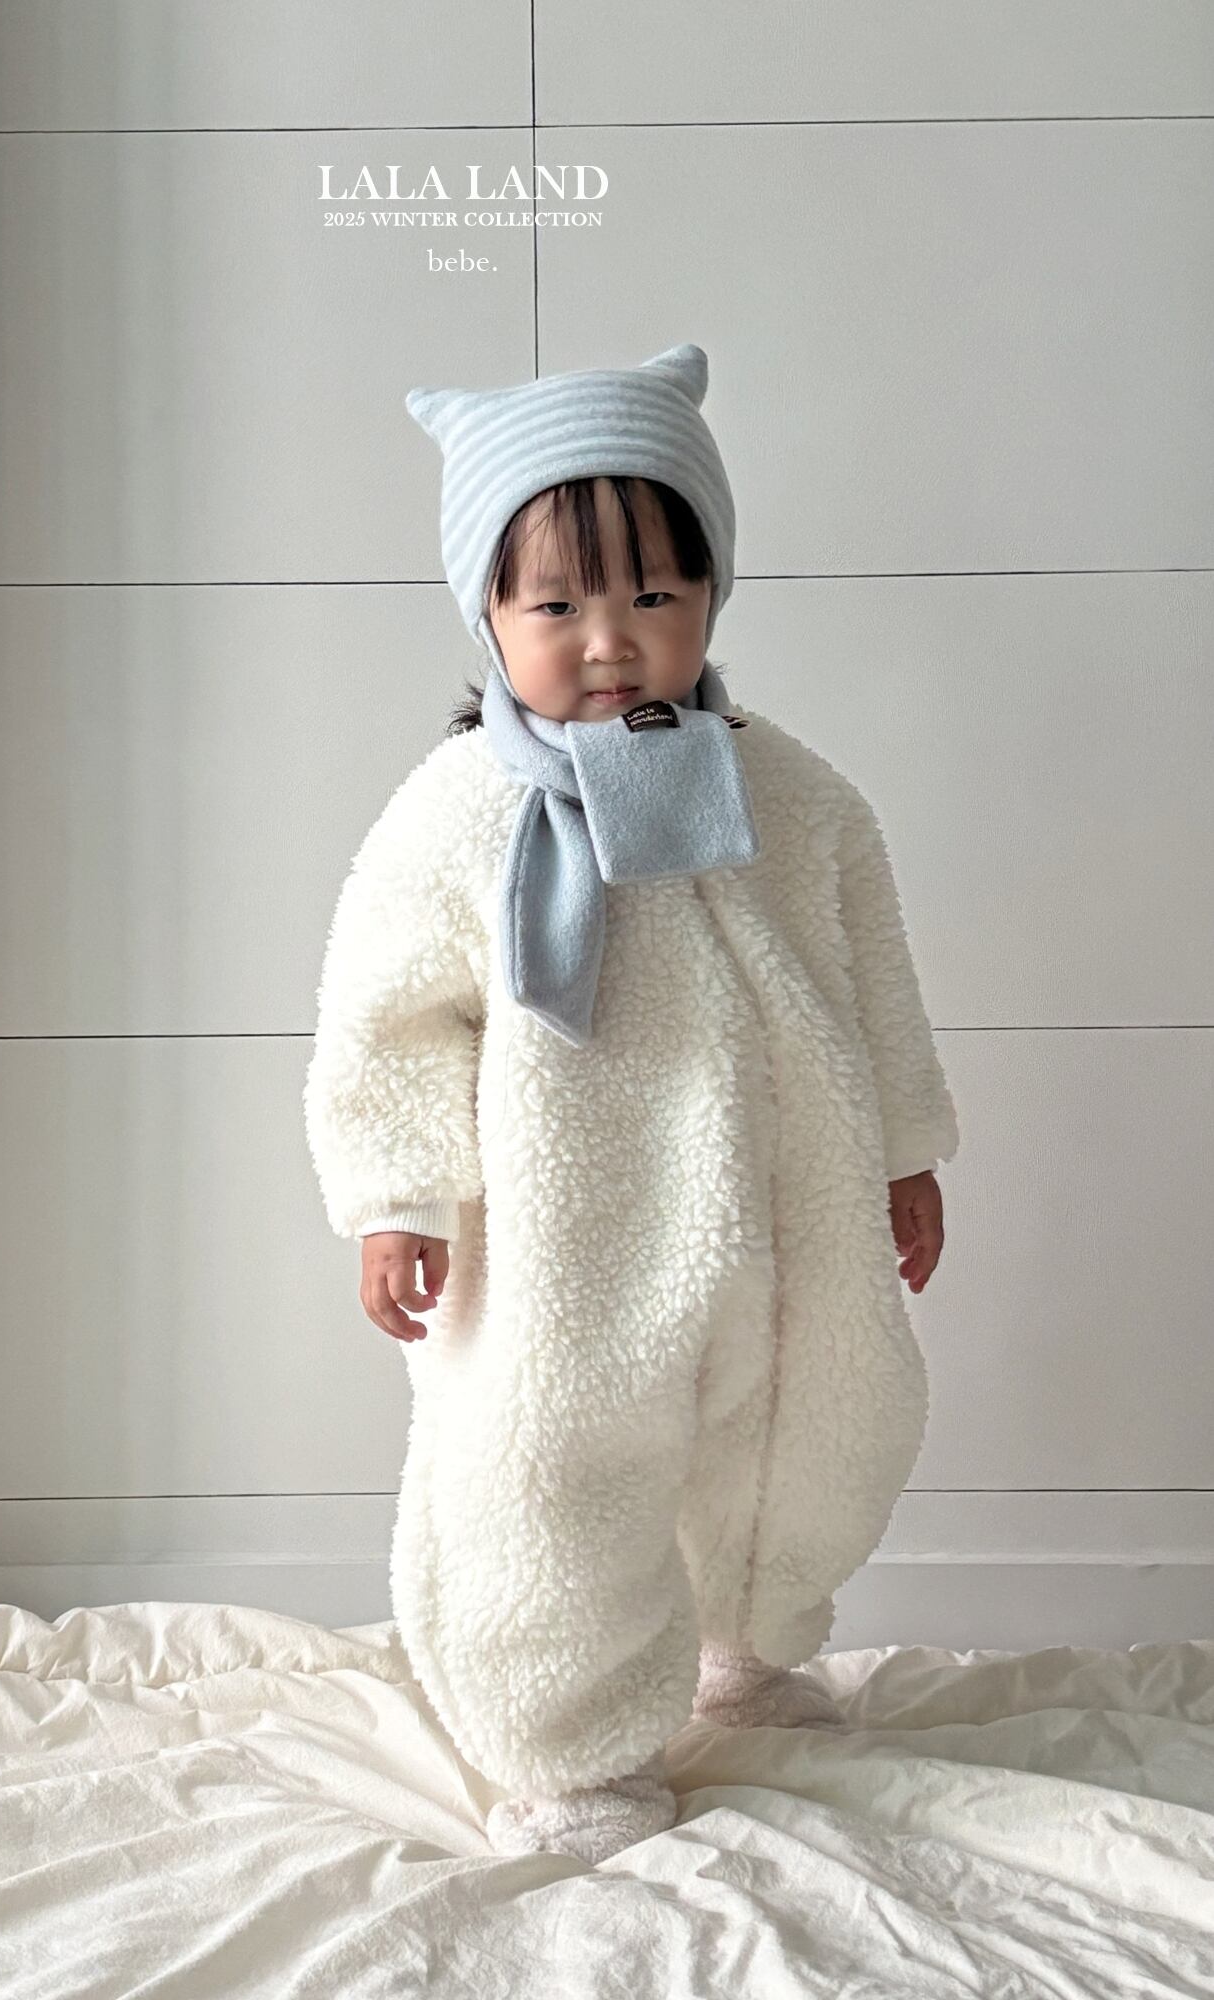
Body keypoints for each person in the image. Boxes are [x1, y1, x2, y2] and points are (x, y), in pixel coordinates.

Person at [302, 343, 960, 1865]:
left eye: (655, 595)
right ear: (487, 615)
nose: (609, 641)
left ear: (714, 594)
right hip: (562, 1236)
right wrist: (397, 1198)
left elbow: (873, 982)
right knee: (552, 1472)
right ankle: (573, 1746)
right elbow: (387, 1021)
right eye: (557, 607)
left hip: (784, 1206)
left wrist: (905, 1155)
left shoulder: (795, 796)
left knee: (811, 1426)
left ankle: (752, 1646)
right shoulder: (459, 812)